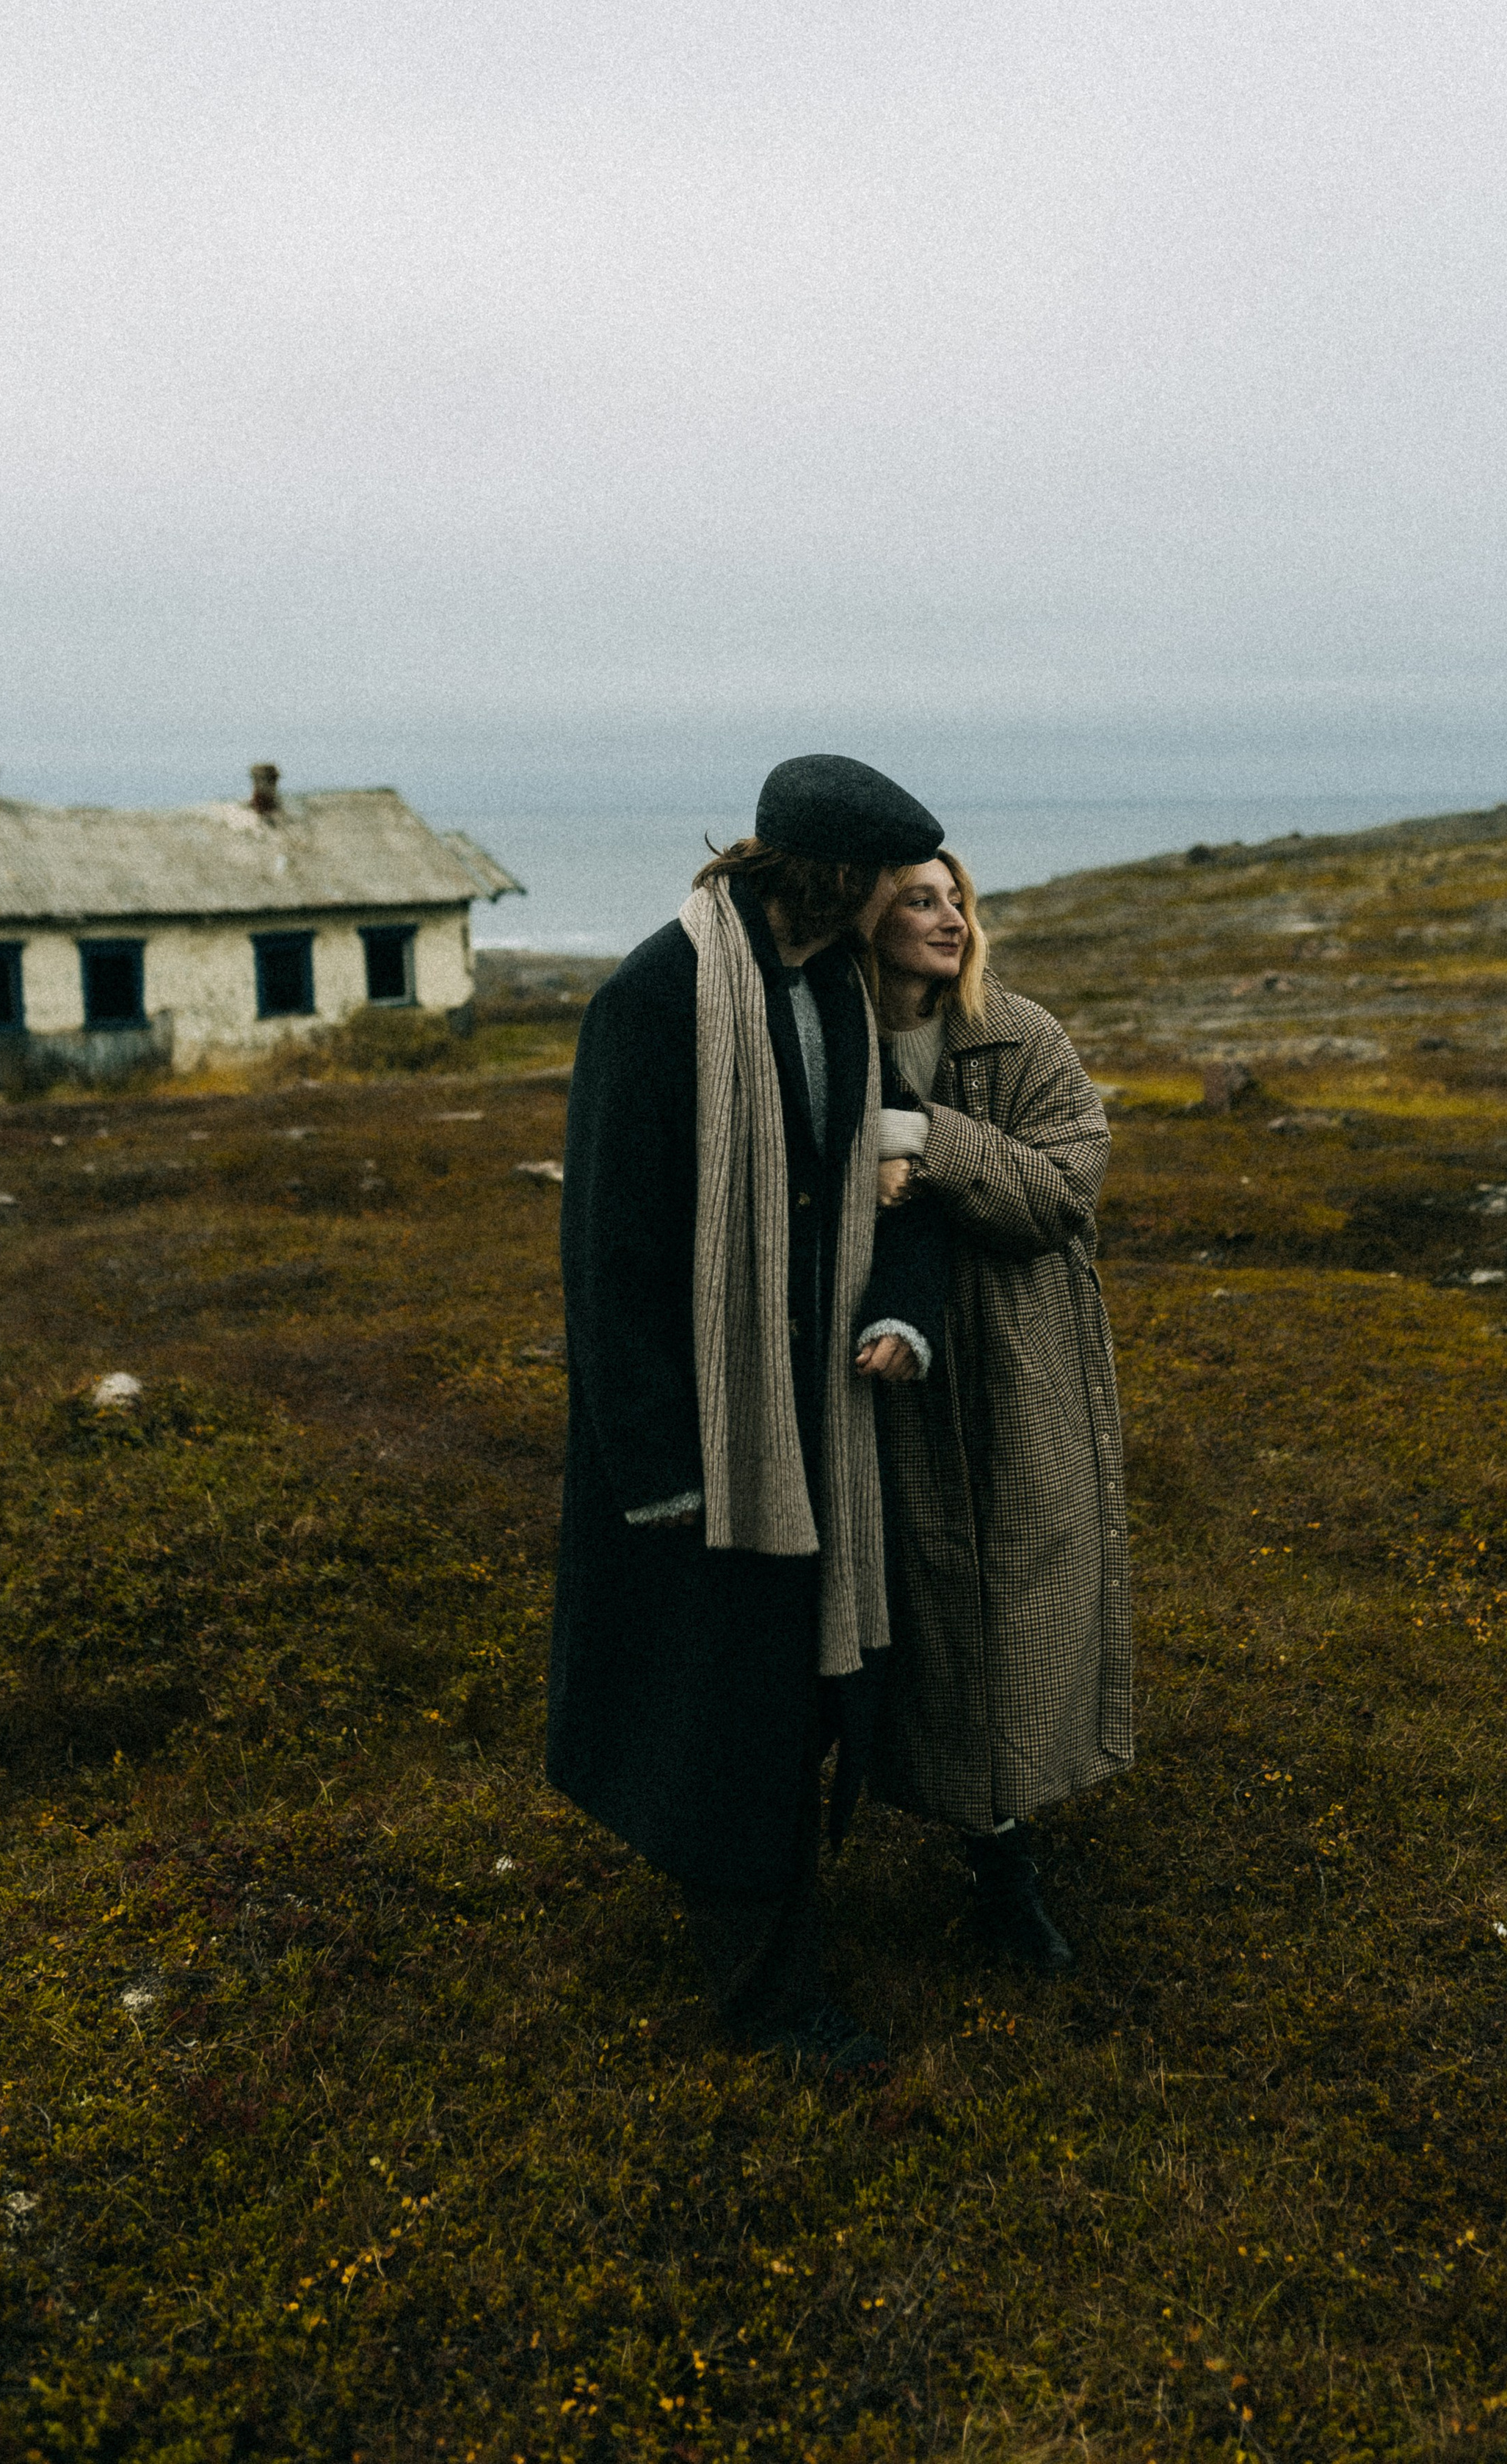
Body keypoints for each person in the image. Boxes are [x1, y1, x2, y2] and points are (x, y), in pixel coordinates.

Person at [545, 755, 947, 2084]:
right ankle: (770, 1995)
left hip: (815, 1421)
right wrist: (656, 1467)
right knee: (729, 1706)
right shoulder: (656, 999)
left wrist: (895, 1306)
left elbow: (877, 1183)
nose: (908, 898)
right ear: (839, 875)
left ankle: (776, 1931)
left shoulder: (835, 985)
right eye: (894, 875)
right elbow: (609, 1256)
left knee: (803, 1692)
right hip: (705, 1433)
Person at [864, 850, 1133, 1975]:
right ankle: (934, 1814)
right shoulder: (827, 1044)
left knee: (1016, 1595)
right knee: (916, 1605)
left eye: (958, 899)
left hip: (1020, 1370)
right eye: (920, 900)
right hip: (884, 1382)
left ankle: (1007, 1864)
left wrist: (927, 1140)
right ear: (866, 915)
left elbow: (1064, 1192)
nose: (949, 919)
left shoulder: (1021, 1036)